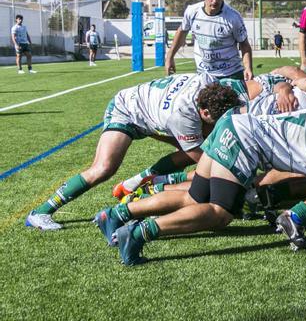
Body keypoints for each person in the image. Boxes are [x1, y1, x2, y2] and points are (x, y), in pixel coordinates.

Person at [97, 109, 306, 265]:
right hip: (243, 143)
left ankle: (116, 214)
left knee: (193, 197)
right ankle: (138, 233)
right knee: (219, 213)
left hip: (232, 125)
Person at [25, 77, 241, 231]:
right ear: (203, 112)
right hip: (127, 110)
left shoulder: (209, 83)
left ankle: (140, 184)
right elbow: (204, 162)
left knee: (194, 149)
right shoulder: (183, 116)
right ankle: (40, 212)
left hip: (150, 111)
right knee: (103, 168)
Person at [166, 0, 253, 81]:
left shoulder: (233, 17)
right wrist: (170, 57)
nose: (215, 0)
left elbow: (244, 45)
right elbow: (182, 31)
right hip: (204, 75)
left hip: (231, 74)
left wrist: (248, 68)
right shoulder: (192, 12)